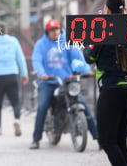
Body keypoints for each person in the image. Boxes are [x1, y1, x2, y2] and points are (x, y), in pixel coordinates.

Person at [29, 19, 98, 149]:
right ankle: (36, 139)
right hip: (49, 82)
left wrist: (86, 70)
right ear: (47, 32)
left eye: (57, 29)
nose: (55, 32)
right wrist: (42, 74)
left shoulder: (68, 41)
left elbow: (78, 57)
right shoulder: (41, 44)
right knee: (42, 106)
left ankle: (98, 138)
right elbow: (37, 61)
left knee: (83, 105)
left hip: (67, 82)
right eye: (52, 30)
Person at [83, 0, 127, 166]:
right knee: (119, 141)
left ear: (107, 9)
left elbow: (89, 56)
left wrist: (94, 32)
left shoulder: (102, 32)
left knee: (107, 142)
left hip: (111, 91)